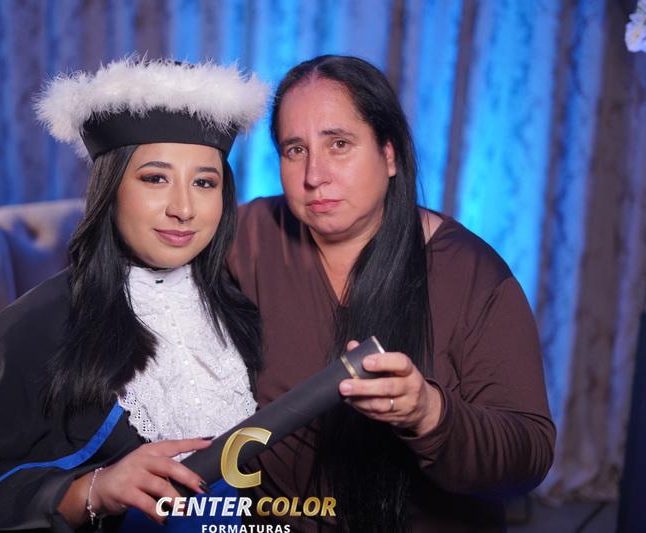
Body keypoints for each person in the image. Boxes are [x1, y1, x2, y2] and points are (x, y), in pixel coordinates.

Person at [0, 59, 268, 532]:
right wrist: (91, 491)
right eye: (155, 178)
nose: (184, 208)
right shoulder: (28, 331)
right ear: (110, 188)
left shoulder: (243, 303)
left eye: (204, 183)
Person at [227, 55, 556, 532]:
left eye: (339, 144)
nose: (314, 174)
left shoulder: (471, 275)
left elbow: (529, 454)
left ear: (390, 154)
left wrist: (429, 413)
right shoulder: (250, 236)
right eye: (295, 149)